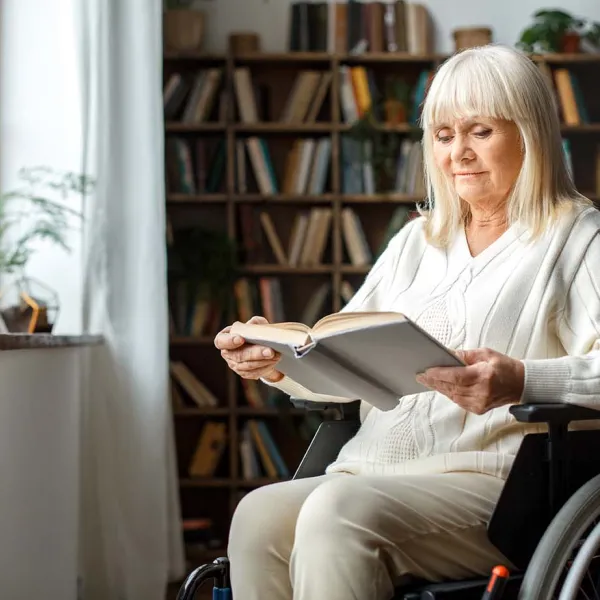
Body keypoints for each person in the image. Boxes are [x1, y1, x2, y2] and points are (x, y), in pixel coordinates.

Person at [214, 44, 600, 600]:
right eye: (443, 136)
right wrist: (275, 364)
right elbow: (343, 359)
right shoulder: (418, 241)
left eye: (480, 132)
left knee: (336, 513)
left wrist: (520, 381)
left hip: (496, 485)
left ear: (529, 133)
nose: (458, 153)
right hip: (372, 471)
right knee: (257, 517)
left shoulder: (574, 236)